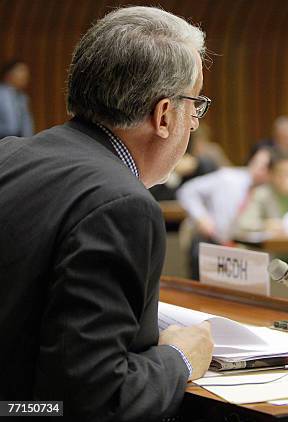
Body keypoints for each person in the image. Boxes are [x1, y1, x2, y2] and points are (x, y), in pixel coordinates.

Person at [0, 7, 214, 420]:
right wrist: (179, 359)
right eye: (195, 105)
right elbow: (92, 402)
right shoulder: (122, 205)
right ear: (165, 115)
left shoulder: (9, 154)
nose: (195, 123)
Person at [177, 149, 271, 278]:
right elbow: (187, 191)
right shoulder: (228, 178)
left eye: (267, 167)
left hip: (244, 248)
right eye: (259, 164)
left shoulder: (266, 192)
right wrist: (201, 218)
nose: (261, 170)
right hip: (213, 241)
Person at [0, 60, 34, 139]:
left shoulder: (23, 98)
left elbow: (27, 125)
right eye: (21, 71)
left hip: (18, 141)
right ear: (8, 74)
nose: (25, 76)